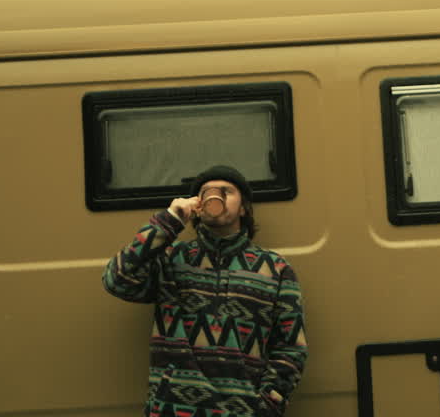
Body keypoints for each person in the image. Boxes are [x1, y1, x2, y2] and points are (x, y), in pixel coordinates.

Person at [103, 165, 307, 416]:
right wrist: (169, 221)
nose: (215, 197)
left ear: (243, 208)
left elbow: (291, 347)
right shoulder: (171, 259)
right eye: (206, 193)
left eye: (226, 191)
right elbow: (116, 280)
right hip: (172, 410)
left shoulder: (276, 269)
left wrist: (267, 404)